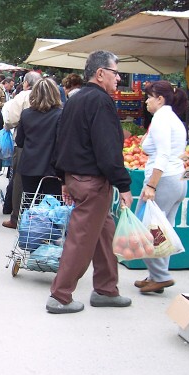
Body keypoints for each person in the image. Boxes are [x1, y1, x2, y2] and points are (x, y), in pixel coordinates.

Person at [47, 50, 133, 314]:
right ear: (100, 73)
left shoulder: (75, 99)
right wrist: (124, 184)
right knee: (82, 238)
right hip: (93, 182)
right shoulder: (100, 102)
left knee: (103, 233)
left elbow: (60, 140)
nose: (118, 78)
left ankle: (107, 289)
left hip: (78, 178)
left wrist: (64, 178)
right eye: (115, 72)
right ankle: (60, 296)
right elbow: (108, 149)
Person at [134, 81, 188, 294]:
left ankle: (162, 276)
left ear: (160, 99)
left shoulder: (161, 119)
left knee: (148, 229)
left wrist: (151, 185)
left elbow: (163, 154)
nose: (146, 101)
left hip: (164, 180)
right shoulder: (172, 118)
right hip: (177, 180)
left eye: (149, 97)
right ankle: (156, 275)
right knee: (163, 229)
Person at [1, 71, 42, 229]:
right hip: (46, 145)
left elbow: (10, 120)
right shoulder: (49, 95)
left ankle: (16, 216)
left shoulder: (23, 96)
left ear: (26, 83)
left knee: (19, 179)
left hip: (23, 144)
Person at [15, 77, 62, 198]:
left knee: (30, 204)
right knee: (52, 209)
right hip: (52, 169)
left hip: (29, 166)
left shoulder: (26, 114)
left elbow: (19, 141)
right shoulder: (60, 115)